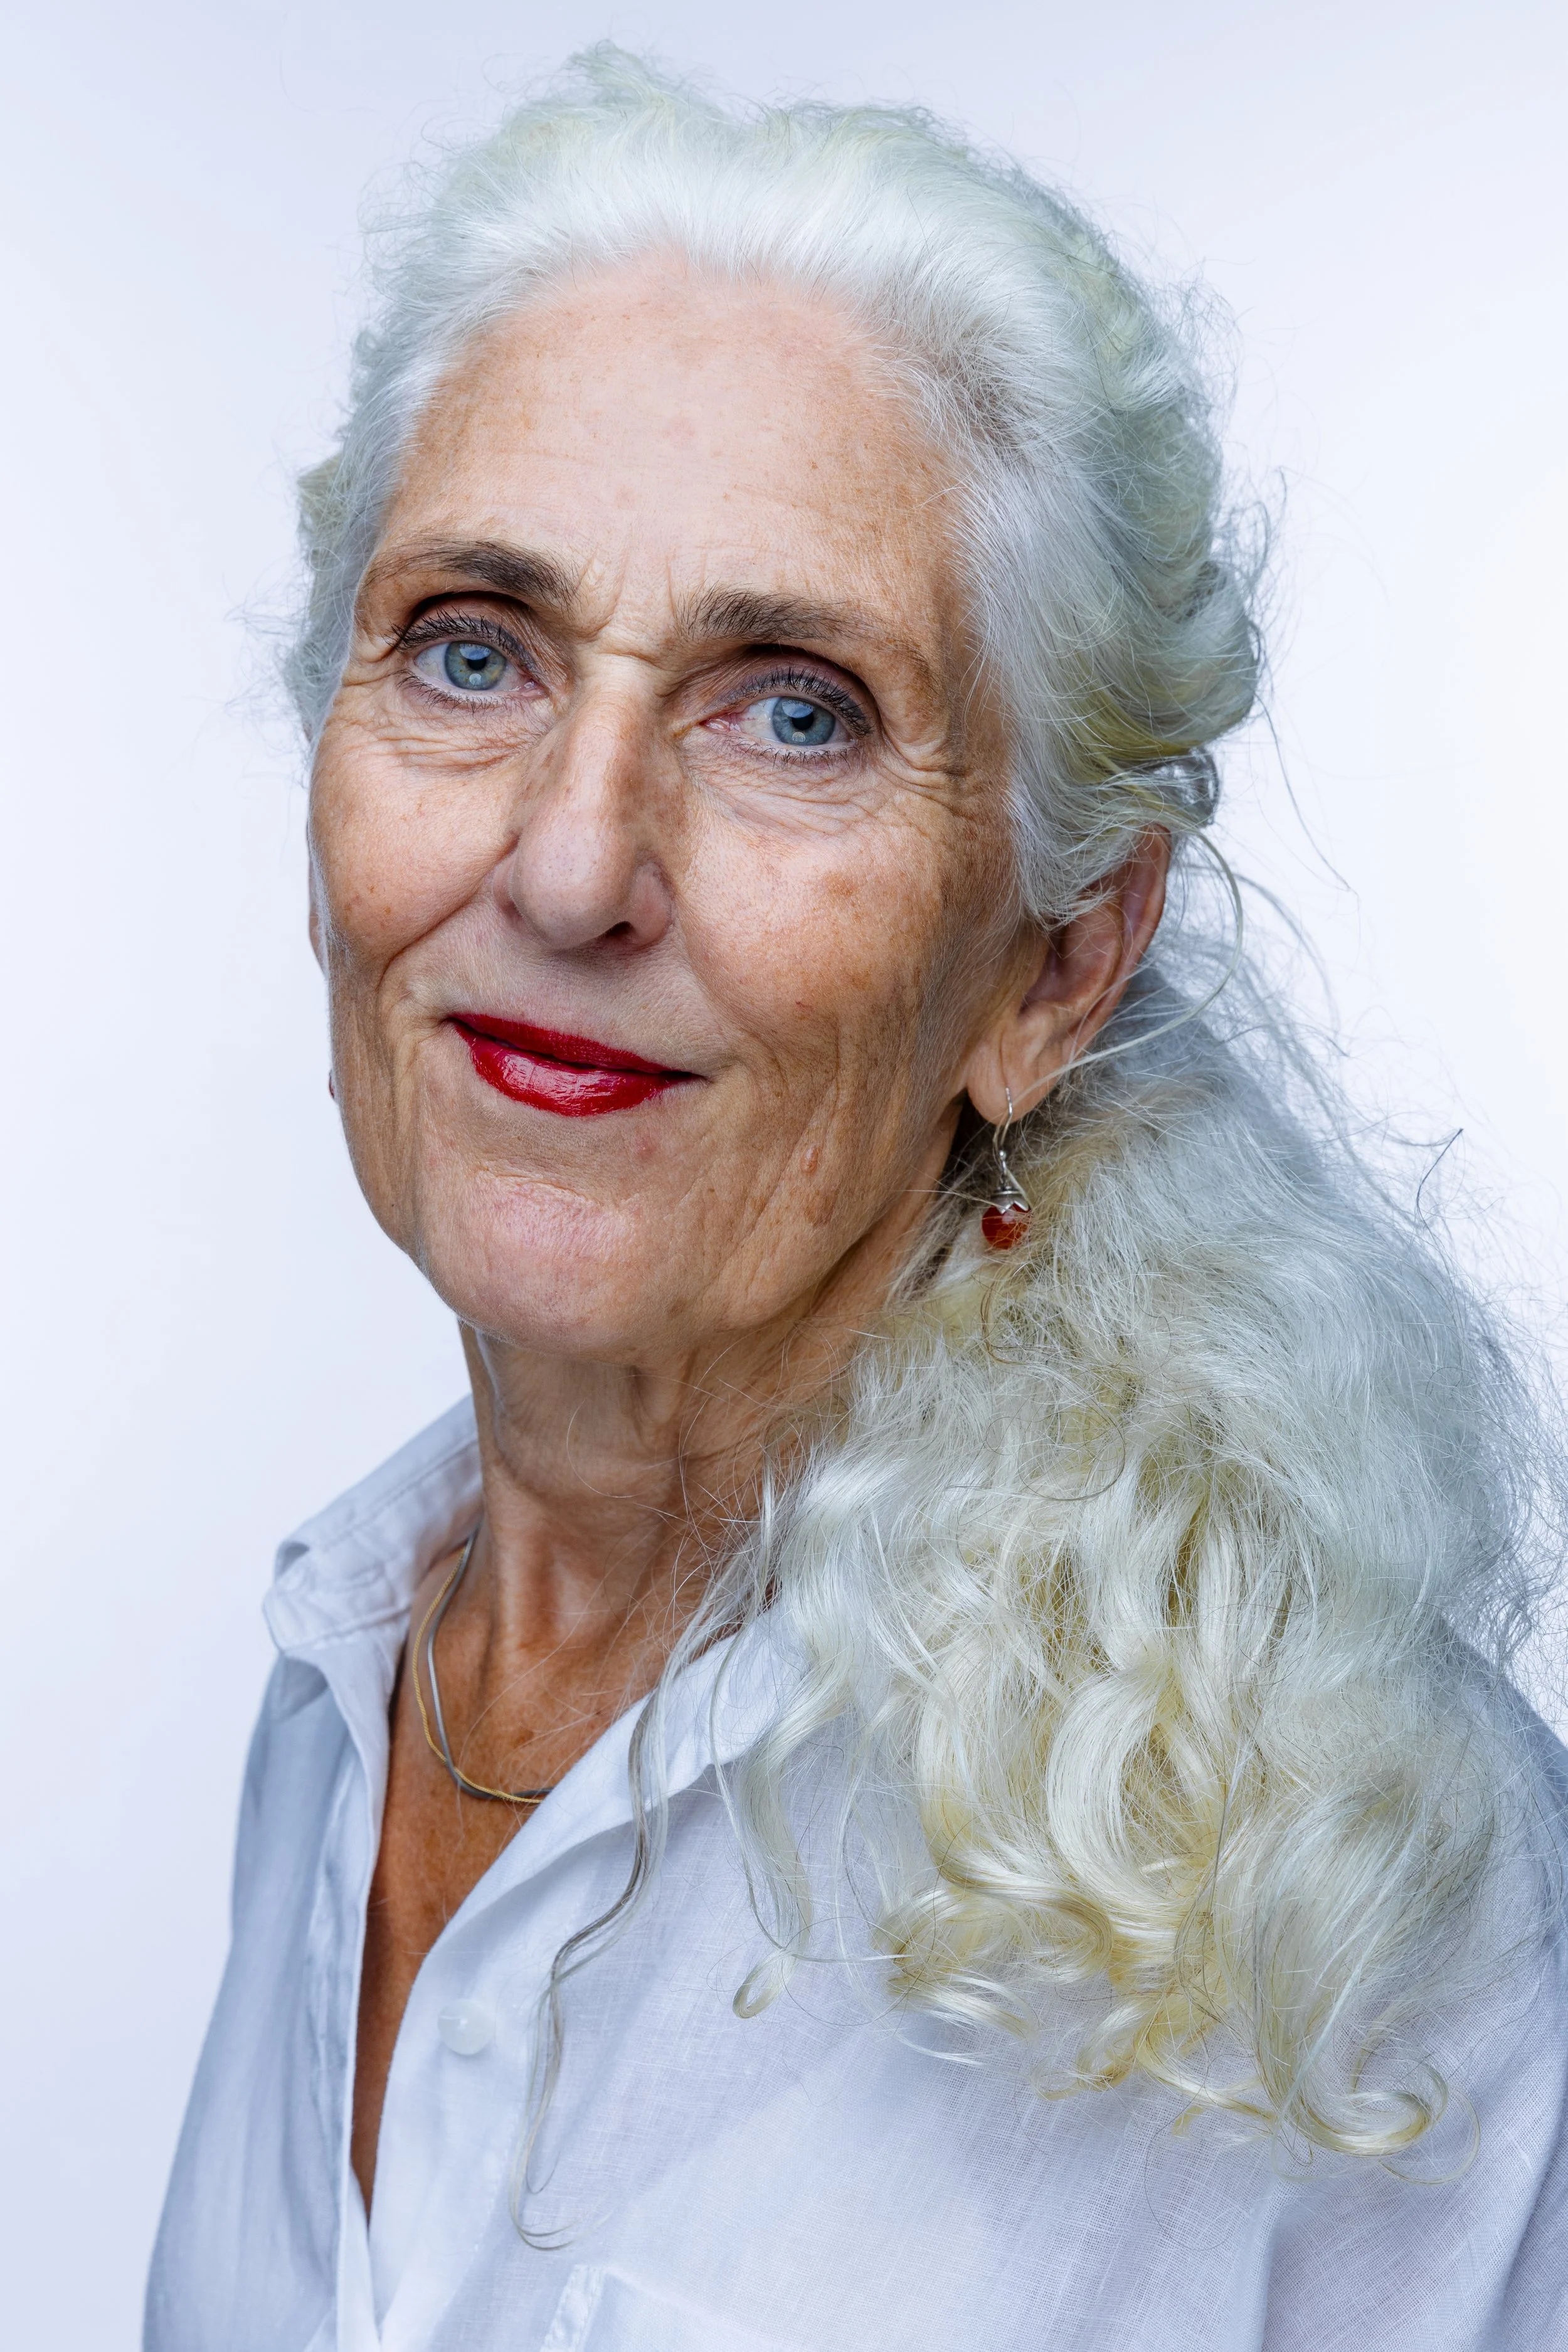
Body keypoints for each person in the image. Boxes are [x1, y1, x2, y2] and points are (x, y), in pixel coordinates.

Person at [146, 51, 1568, 2352]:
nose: (574, 860)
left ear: (1053, 959)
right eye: (472, 650)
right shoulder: (337, 1680)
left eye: (792, 710)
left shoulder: (1388, 1920)